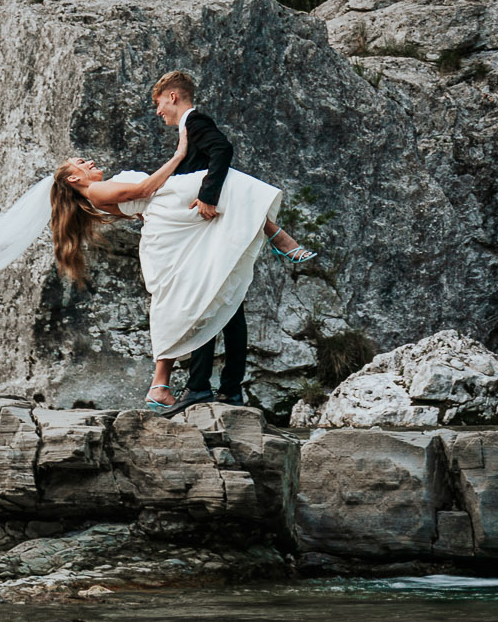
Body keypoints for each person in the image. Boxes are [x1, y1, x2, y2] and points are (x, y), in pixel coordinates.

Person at [47, 70, 321, 411]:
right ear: (74, 178)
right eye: (80, 163)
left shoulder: (100, 192)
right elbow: (145, 191)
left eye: (158, 103)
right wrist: (178, 155)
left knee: (214, 286)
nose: (88, 162)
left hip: (168, 211)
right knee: (232, 191)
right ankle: (281, 239)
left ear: (172, 97)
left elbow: (136, 209)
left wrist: (161, 206)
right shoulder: (99, 189)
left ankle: (178, 386)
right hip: (167, 204)